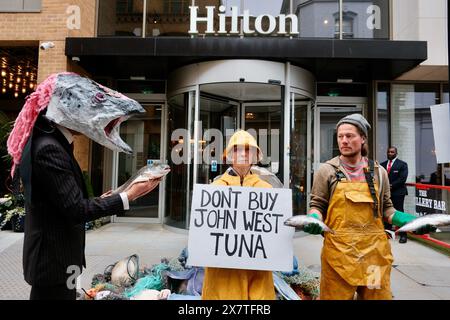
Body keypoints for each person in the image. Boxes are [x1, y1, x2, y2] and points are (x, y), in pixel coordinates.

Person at [7, 73, 162, 300]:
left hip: (57, 262)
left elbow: (63, 201)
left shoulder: (52, 142)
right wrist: (128, 196)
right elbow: (76, 210)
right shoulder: (49, 148)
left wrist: (105, 198)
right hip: (52, 264)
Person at [296, 114, 435, 300]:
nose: (344, 141)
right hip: (338, 258)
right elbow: (317, 205)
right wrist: (313, 219)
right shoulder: (327, 170)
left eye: (350, 136)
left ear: (362, 139)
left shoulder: (379, 172)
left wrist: (409, 221)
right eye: (340, 136)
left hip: (373, 257)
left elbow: (387, 209)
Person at [201, 130, 276, 300]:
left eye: (248, 149)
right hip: (222, 274)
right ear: (228, 155)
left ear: (256, 155)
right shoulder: (214, 190)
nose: (242, 153)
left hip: (257, 272)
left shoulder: (267, 190)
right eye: (236, 149)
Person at [381, 147, 409, 243]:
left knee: (399, 213)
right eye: (388, 151)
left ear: (396, 153)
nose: (390, 153)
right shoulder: (382, 165)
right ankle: (387, 233)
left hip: (398, 193)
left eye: (392, 152)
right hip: (385, 193)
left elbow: (402, 179)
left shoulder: (402, 164)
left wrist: (390, 186)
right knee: (386, 212)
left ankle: (403, 235)